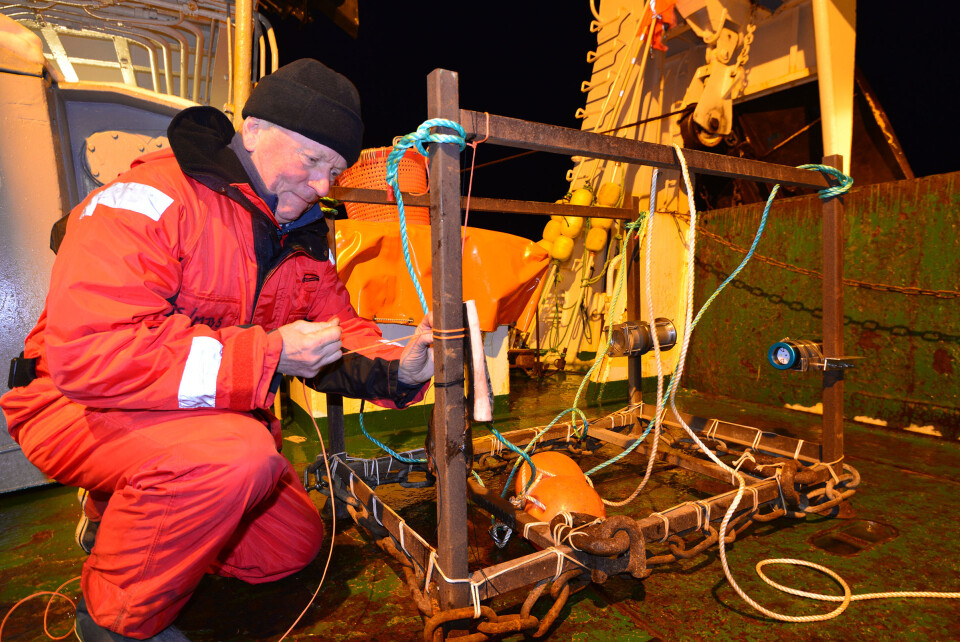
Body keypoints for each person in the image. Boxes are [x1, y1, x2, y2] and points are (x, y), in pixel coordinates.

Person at [1, 59, 434, 641]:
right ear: (253, 131)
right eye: (312, 161)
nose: (323, 186)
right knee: (235, 459)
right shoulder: (152, 198)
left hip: (199, 418)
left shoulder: (305, 234)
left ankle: (124, 514)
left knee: (292, 548)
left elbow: (341, 328)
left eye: (335, 171)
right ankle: (115, 621)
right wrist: (268, 355)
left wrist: (403, 367)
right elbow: (93, 353)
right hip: (75, 405)